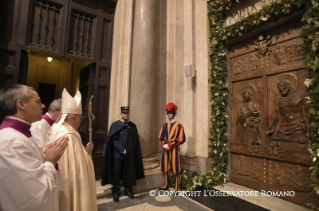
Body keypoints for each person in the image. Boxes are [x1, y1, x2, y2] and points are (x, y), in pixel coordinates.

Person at [0, 84, 68, 211]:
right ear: (21, 104)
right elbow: (34, 194)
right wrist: (50, 161)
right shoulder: (12, 141)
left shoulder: (19, 134)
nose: (42, 106)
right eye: (38, 102)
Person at [46, 88, 96, 211]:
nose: (81, 120)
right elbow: (77, 169)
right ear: (73, 117)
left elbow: (73, 158)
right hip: (69, 184)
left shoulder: (56, 129)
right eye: (80, 117)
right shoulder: (69, 136)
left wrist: (84, 150)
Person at [101, 106, 145, 202]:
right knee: (117, 173)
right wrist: (122, 150)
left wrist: (130, 151)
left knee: (128, 173)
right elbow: (113, 140)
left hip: (129, 155)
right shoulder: (115, 125)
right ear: (121, 114)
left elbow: (135, 142)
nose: (126, 115)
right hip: (118, 155)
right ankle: (116, 192)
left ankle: (128, 190)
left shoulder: (132, 126)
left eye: (127, 113)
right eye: (124, 113)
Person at [266, 74, 310, 143]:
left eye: (283, 86)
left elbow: (307, 114)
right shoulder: (278, 100)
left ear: (288, 86)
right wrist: (272, 126)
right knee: (282, 144)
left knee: (299, 143)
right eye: (279, 87)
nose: (281, 88)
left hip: (298, 126)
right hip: (284, 128)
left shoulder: (300, 96)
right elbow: (278, 115)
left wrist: (309, 128)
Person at [158, 102, 186, 191]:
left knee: (176, 167)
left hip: (174, 149)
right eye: (168, 113)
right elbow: (161, 137)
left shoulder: (179, 125)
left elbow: (180, 138)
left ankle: (177, 187)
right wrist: (163, 144)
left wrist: (170, 145)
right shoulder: (164, 125)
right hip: (165, 149)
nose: (168, 115)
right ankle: (166, 184)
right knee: (165, 166)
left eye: (170, 113)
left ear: (173, 114)